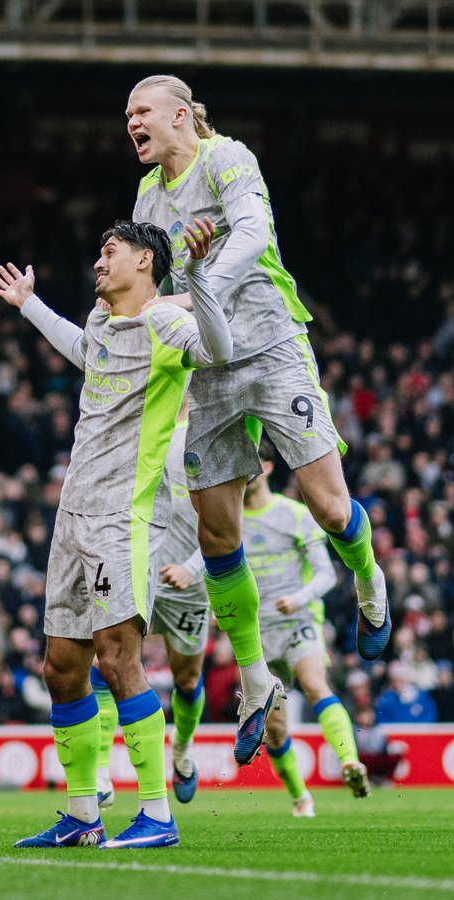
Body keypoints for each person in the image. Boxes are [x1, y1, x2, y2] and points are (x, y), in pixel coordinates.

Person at [126, 74, 391, 764]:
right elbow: (154, 276)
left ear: (180, 115)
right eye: (128, 115)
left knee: (332, 510)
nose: (131, 123)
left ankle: (368, 578)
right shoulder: (150, 194)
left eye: (141, 111)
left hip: (271, 347)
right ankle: (253, 682)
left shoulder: (230, 159)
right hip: (208, 368)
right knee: (218, 537)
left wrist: (198, 287)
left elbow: (254, 232)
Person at [0, 217, 232, 850]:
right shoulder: (102, 322)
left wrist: (198, 279)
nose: (98, 263)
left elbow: (221, 351)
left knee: (117, 656)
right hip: (73, 513)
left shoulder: (170, 327)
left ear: (146, 262)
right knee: (60, 666)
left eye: (110, 251)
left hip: (123, 517)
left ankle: (157, 814)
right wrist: (30, 305)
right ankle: (80, 816)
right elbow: (83, 351)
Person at [93, 395, 210, 808]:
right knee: (106, 661)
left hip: (188, 586)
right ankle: (101, 773)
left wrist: (193, 569)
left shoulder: (205, 437)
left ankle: (181, 750)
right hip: (139, 574)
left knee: (188, 680)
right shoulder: (137, 434)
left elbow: (228, 526)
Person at [243, 439, 370, 810]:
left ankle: (349, 760)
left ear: (266, 468)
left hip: (298, 620)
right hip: (256, 634)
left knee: (316, 685)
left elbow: (327, 575)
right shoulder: (227, 519)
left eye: (250, 465)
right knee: (276, 728)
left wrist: (297, 599)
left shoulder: (295, 514)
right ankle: (301, 797)